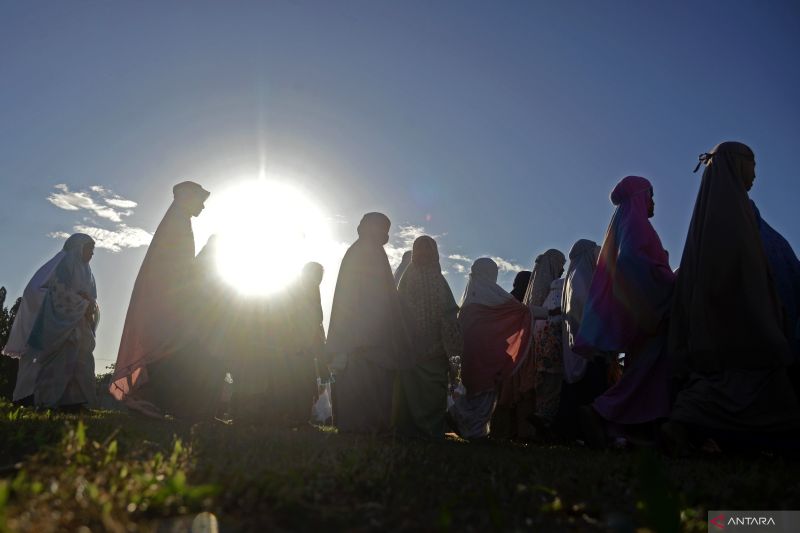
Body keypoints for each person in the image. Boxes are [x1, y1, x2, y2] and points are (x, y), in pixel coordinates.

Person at [665, 142, 800, 453]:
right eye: (752, 164)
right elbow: (748, 267)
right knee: (756, 378)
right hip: (741, 314)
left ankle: (688, 427)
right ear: (738, 164)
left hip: (711, 320)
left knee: (719, 379)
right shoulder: (735, 212)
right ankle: (689, 427)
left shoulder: (710, 212)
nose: (754, 174)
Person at [574, 176, 675, 448]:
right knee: (644, 372)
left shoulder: (627, 225)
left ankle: (625, 430)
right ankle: (601, 410)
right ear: (642, 196)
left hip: (641, 313)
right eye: (650, 195)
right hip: (650, 312)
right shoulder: (639, 226)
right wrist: (670, 280)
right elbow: (633, 262)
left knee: (641, 372)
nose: (653, 202)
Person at [110, 181, 223, 419]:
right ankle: (154, 400)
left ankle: (164, 402)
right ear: (188, 198)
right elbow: (178, 271)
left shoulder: (180, 223)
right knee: (168, 352)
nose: (203, 206)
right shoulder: (177, 225)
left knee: (172, 354)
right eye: (200, 200)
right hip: (169, 305)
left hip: (171, 302)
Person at [326, 213, 414, 433]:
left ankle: (364, 427)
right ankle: (363, 427)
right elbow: (367, 298)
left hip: (367, 338)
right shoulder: (367, 251)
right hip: (366, 339)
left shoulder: (365, 250)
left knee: (370, 385)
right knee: (365, 386)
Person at [4, 233, 98, 410]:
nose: (92, 253)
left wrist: (89, 303)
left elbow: (89, 296)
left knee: (81, 358)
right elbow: (57, 291)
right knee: (57, 360)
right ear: (78, 249)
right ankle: (40, 399)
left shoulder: (87, 272)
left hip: (78, 322)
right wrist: (82, 301)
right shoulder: (65, 264)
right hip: (57, 323)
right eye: (89, 249)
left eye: (93, 250)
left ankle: (75, 401)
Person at [449, 258, 532, 440]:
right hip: (488, 357)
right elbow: (520, 311)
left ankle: (464, 423)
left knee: (472, 392)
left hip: (470, 357)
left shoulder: (469, 301)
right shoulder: (496, 298)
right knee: (484, 393)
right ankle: (474, 430)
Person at [393, 236, 463, 439]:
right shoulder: (436, 279)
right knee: (425, 390)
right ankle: (428, 430)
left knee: (415, 389)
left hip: (415, 348)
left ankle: (412, 430)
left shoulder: (409, 278)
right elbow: (450, 313)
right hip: (427, 349)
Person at [556, 239, 608, 439]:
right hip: (586, 343)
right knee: (588, 388)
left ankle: (569, 431)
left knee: (576, 388)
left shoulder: (575, 275)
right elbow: (584, 307)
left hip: (577, 343)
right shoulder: (581, 277)